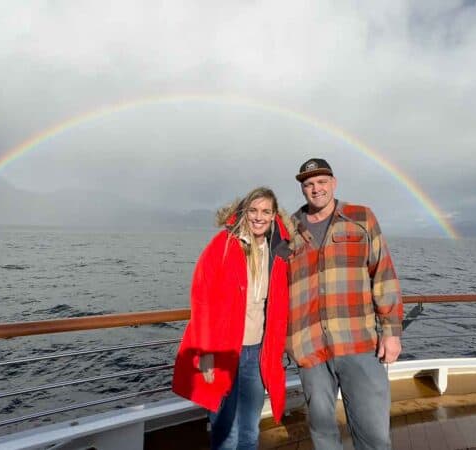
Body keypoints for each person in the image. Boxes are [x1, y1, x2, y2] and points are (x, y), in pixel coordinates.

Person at [287, 158, 403, 450]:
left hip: (358, 343)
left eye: (321, 182)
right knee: (323, 435)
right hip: (310, 348)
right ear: (302, 189)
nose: (316, 189)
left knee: (374, 435)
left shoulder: (361, 217)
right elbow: (275, 287)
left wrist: (391, 332)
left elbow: (383, 273)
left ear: (333, 183)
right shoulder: (289, 229)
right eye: (309, 184)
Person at [172, 186, 292, 450]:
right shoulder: (223, 245)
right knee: (226, 433)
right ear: (244, 212)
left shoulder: (280, 252)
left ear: (274, 216)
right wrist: (205, 354)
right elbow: (201, 300)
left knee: (250, 431)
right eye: (253, 210)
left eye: (265, 211)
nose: (259, 217)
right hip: (224, 352)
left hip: (258, 354)